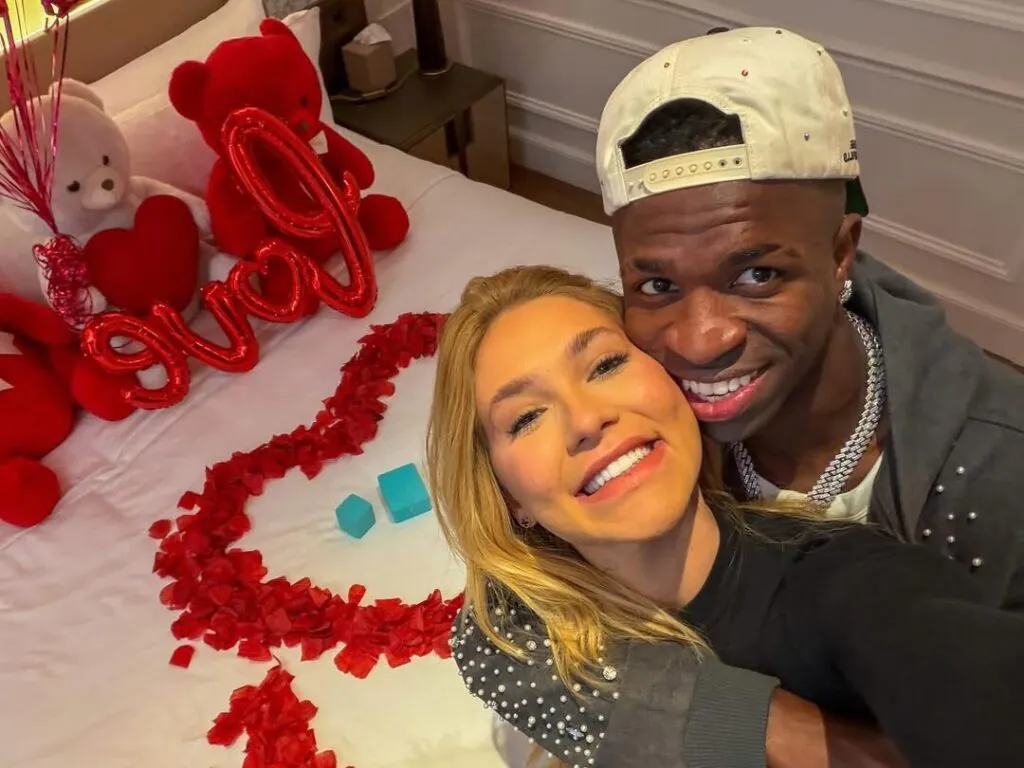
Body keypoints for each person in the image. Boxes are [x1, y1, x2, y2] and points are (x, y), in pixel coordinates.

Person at [474, 25, 1024, 768]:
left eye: (757, 275)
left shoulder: (996, 473)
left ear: (840, 253)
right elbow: (499, 629)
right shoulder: (646, 411)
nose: (700, 341)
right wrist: (768, 726)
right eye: (657, 284)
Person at [425, 265, 1024, 768]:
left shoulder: (845, 579)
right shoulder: (523, 626)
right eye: (526, 418)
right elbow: (484, 641)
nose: (585, 420)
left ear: (676, 383)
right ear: (509, 498)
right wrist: (764, 726)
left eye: (605, 366)